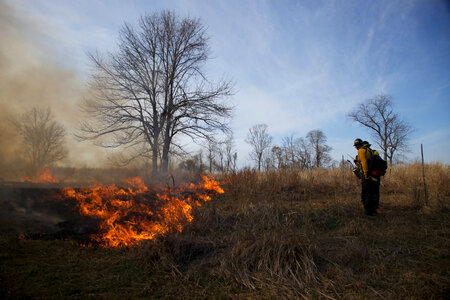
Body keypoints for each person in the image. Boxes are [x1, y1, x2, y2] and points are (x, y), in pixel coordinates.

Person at [353, 138, 380, 216]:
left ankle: (368, 210)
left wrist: (365, 173)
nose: (356, 147)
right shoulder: (372, 151)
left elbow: (364, 162)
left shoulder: (361, 151)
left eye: (356, 145)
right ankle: (374, 209)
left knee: (366, 192)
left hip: (367, 175)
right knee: (374, 192)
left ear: (359, 145)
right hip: (375, 175)